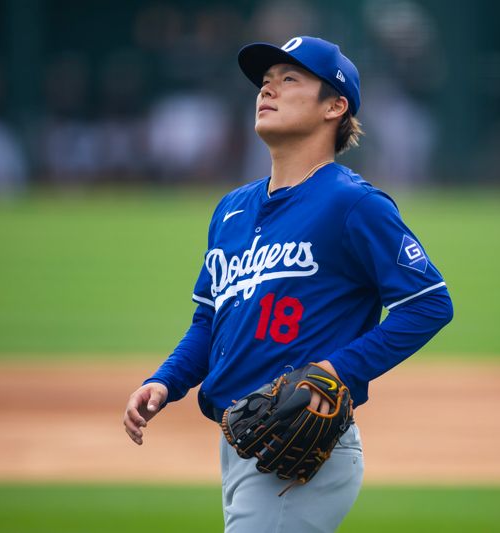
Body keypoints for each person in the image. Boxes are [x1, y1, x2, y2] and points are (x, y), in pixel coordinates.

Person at [123, 36, 453, 532]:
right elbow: (210, 321)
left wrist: (337, 370)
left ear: (335, 107)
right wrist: (165, 380)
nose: (267, 90)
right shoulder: (231, 209)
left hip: (301, 451)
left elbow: (429, 304)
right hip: (244, 441)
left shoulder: (353, 204)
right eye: (265, 81)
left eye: (290, 80)